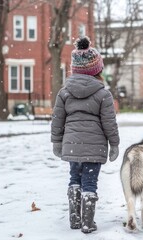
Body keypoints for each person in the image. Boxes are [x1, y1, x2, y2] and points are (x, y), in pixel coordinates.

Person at [51, 36, 119, 234]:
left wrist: (56, 141)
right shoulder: (103, 94)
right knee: (90, 181)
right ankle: (88, 222)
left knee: (74, 177)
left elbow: (57, 120)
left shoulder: (64, 93)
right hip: (94, 146)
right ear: (97, 70)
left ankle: (74, 219)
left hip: (72, 144)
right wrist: (114, 144)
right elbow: (109, 123)